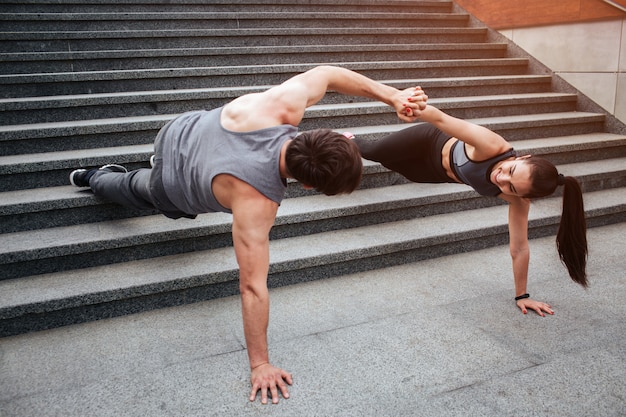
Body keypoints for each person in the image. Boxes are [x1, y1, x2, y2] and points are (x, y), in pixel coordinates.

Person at [68, 66, 426, 405]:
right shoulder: (257, 202)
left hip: (178, 131)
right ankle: (92, 178)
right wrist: (260, 364)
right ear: (306, 183)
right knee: (134, 188)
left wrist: (393, 96)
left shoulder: (282, 104)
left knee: (166, 169)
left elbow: (328, 75)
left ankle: (135, 167)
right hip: (170, 184)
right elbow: (252, 286)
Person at [355, 93, 588, 317]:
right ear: (523, 158)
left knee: (391, 163)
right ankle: (344, 138)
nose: (501, 179)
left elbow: (519, 248)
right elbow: (440, 119)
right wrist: (412, 106)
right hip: (428, 140)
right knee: (373, 151)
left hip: (433, 172)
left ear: (522, 196)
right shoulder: (491, 145)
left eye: (512, 188)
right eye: (510, 171)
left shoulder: (518, 201)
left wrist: (522, 296)